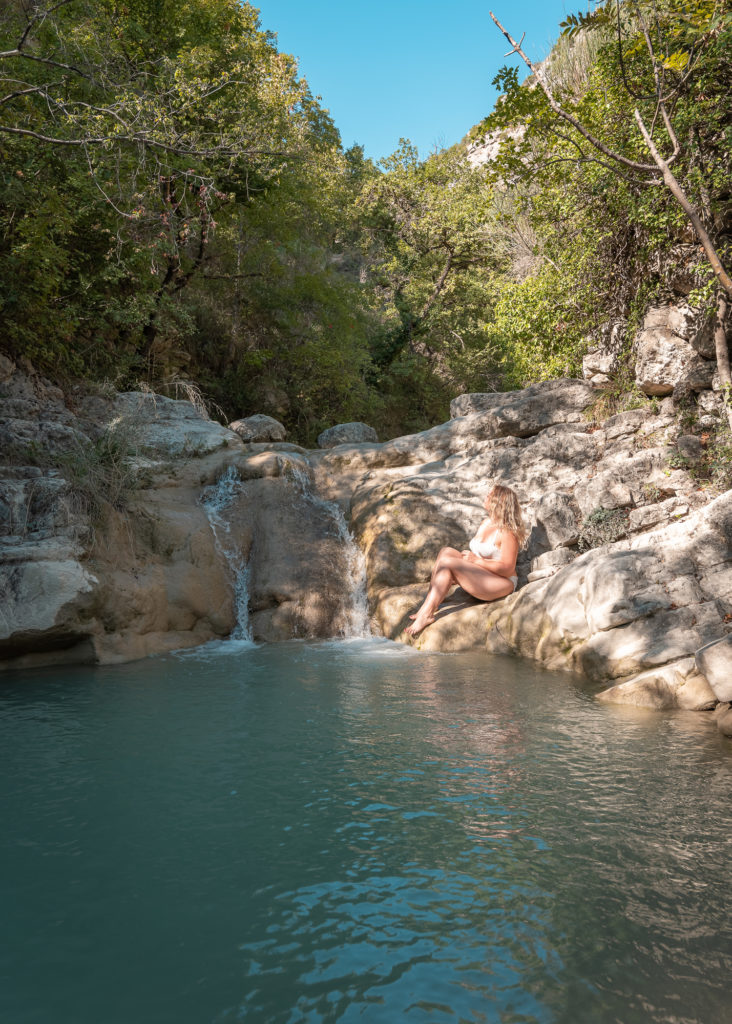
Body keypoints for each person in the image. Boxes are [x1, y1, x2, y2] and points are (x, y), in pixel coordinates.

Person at [405, 484, 528, 636]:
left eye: (489, 496)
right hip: (483, 573)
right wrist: (471, 562)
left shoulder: (507, 532)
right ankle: (428, 606)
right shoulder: (486, 523)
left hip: (502, 582)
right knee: (446, 552)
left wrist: (476, 561)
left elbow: (507, 568)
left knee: (447, 563)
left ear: (498, 502)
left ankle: (427, 614)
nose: (486, 497)